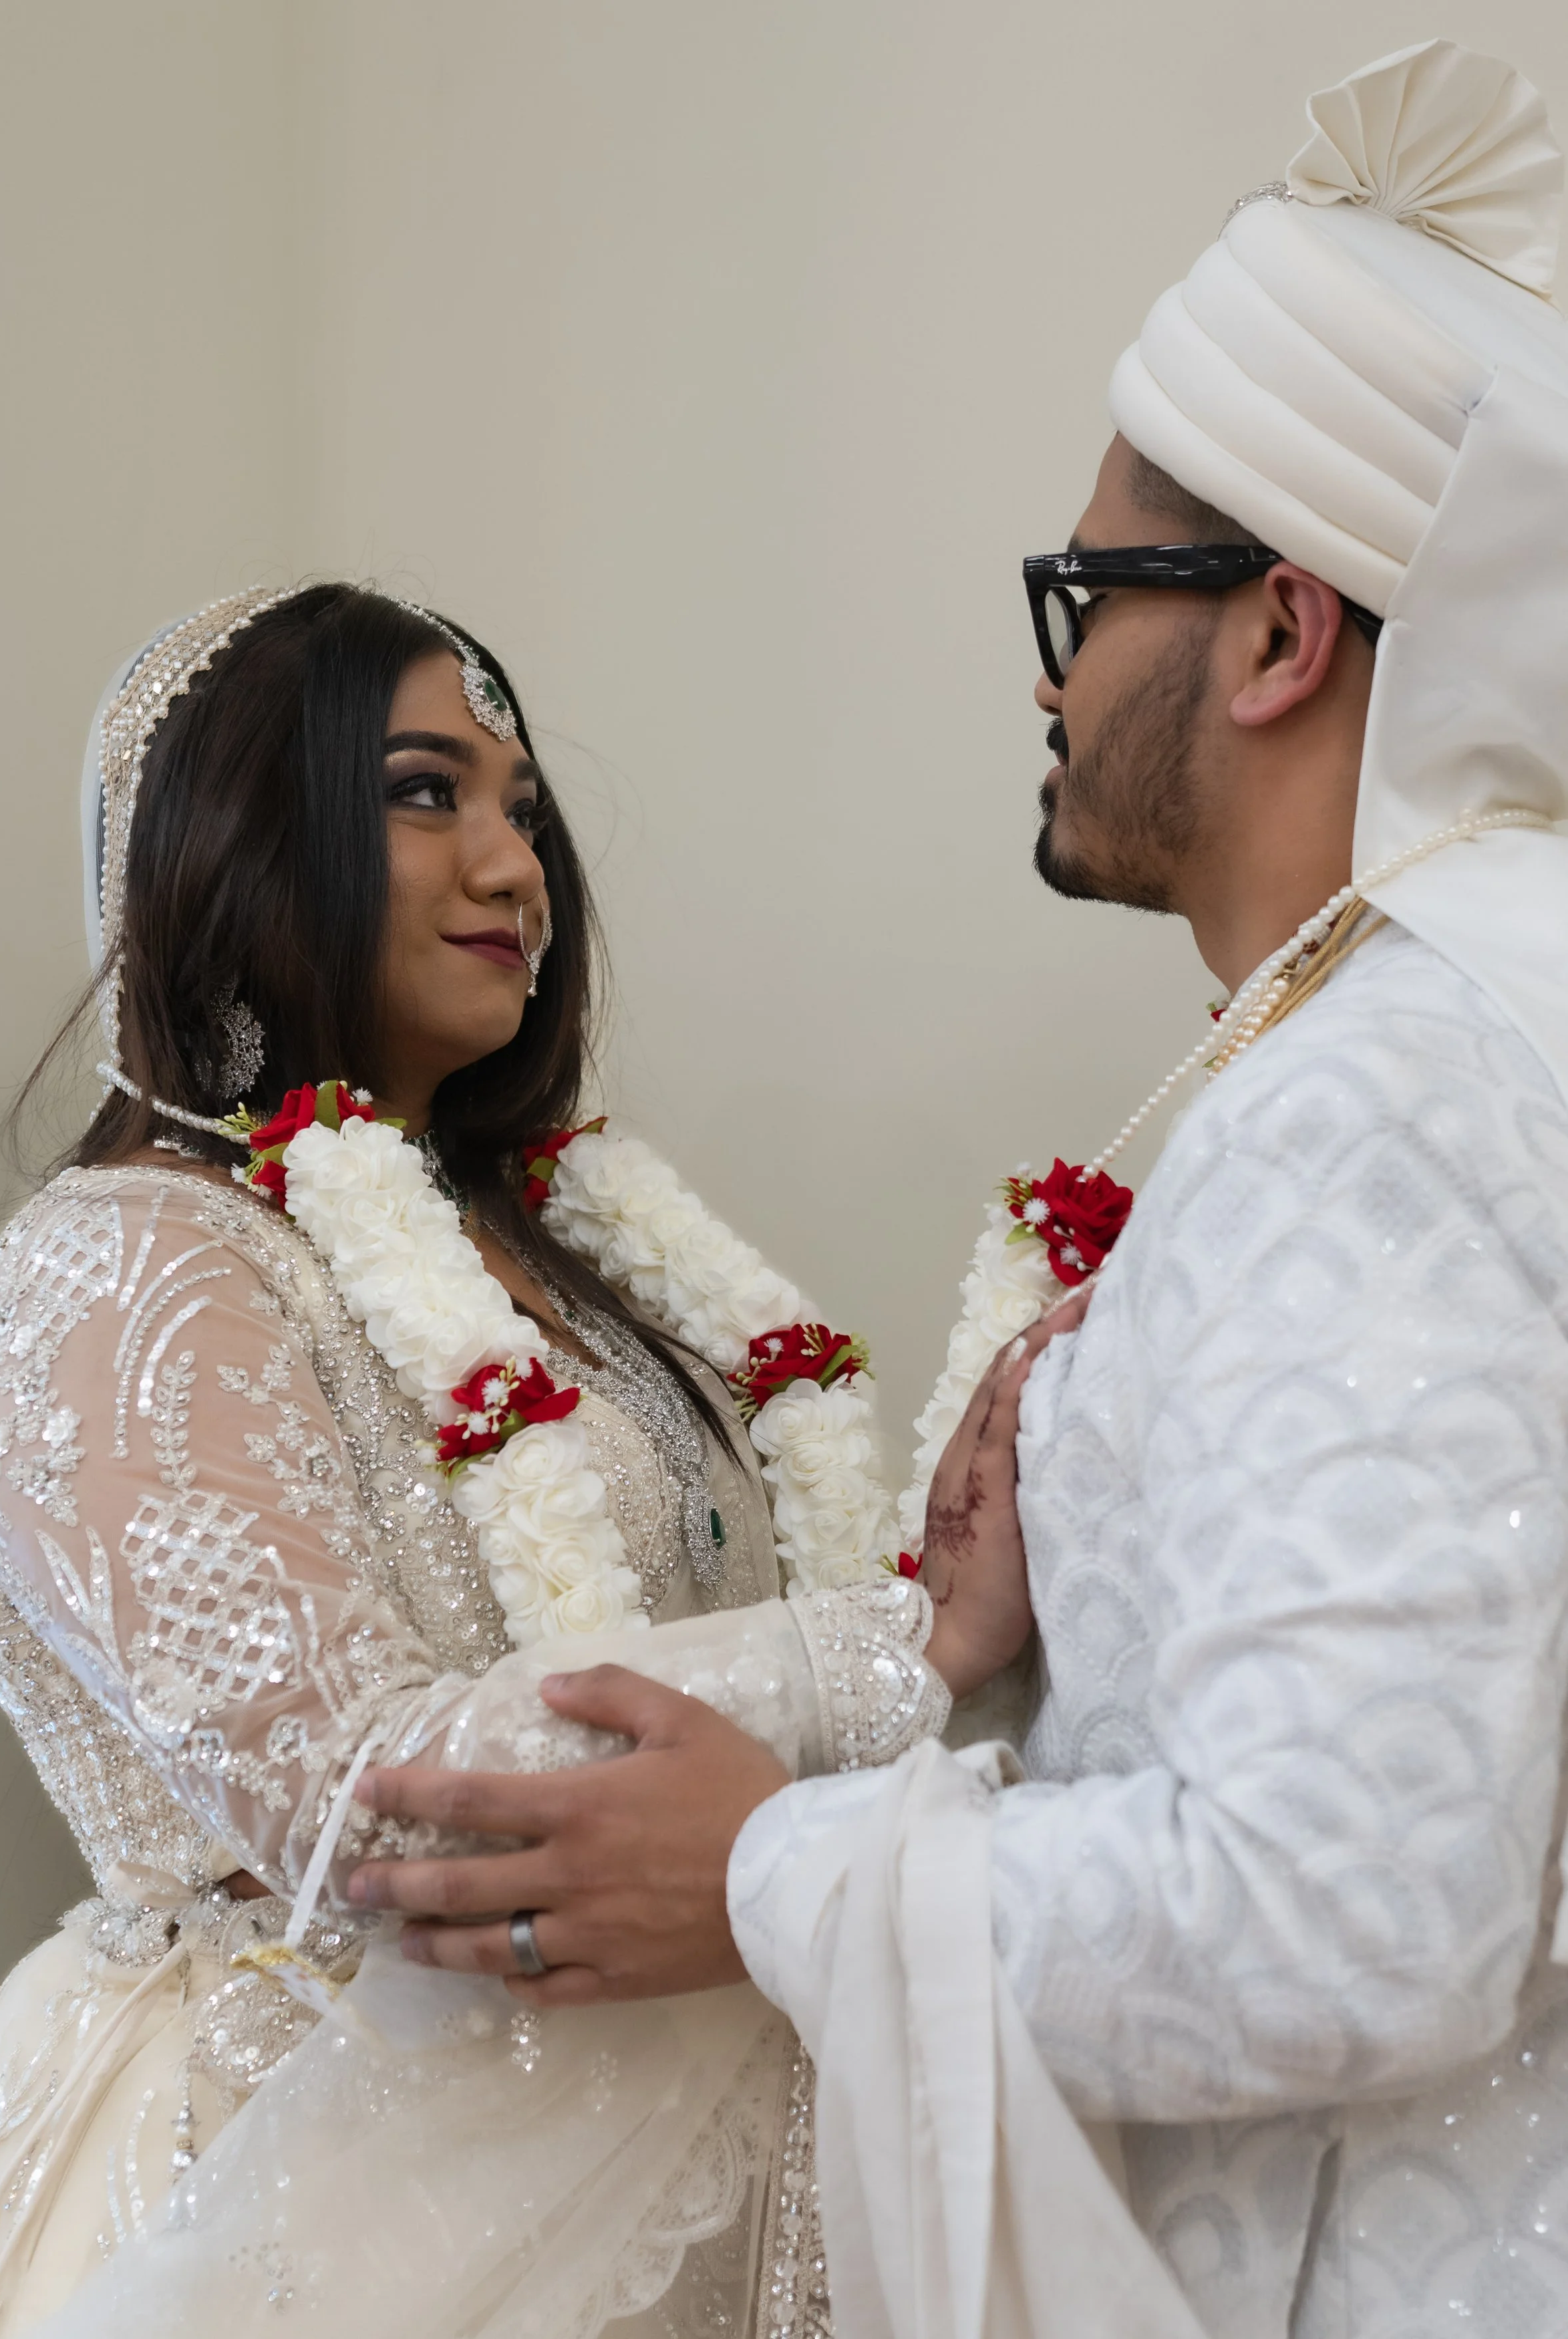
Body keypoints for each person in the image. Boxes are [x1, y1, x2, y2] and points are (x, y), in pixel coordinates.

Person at [346, 41, 1568, 2338]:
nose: (1051, 673)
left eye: (1089, 590)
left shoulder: (1377, 1094)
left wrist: (763, 1866)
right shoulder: (1438, 1026)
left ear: (1280, 633)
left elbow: (1352, 1913)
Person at [0, 583, 1032, 2339]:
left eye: (521, 808)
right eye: (425, 792)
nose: (515, 868)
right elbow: (361, 1803)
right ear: (233, 835)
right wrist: (923, 1645)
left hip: (650, 2152)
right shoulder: (128, 1264)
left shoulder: (556, 1261)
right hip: (307, 2183)